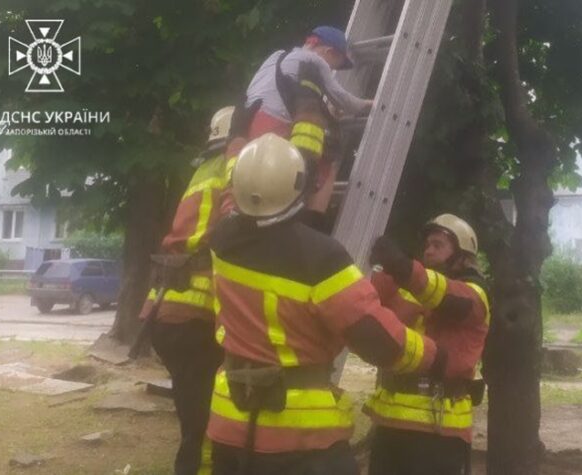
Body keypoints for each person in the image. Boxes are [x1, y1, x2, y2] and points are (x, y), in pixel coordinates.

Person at [206, 133, 446, 475]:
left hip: (230, 420)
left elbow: (251, 214)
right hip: (300, 438)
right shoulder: (321, 259)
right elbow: (378, 338)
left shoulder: (222, 239)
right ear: (299, 187)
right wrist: (433, 356)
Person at [139, 105, 256, 475]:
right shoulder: (230, 165)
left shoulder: (202, 169)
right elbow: (241, 213)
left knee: (195, 418)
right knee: (204, 427)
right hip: (194, 319)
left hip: (167, 313)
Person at [364, 214, 491, 475]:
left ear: (462, 255)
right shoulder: (408, 286)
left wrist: (402, 266)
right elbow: (361, 290)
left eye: (438, 244)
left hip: (439, 428)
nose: (428, 250)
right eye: (427, 245)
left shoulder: (474, 294)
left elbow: (444, 295)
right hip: (389, 422)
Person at [245, 26, 373, 140]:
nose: (332, 71)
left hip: (246, 124)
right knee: (316, 145)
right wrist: (366, 104)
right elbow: (342, 100)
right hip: (273, 126)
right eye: (333, 66)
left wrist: (327, 110)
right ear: (330, 52)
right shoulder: (315, 60)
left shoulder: (276, 56)